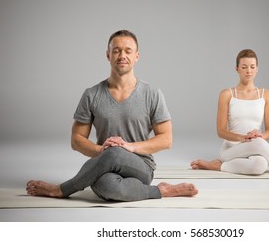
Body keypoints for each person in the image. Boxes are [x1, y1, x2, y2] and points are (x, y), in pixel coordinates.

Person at [27, 30, 198, 201]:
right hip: (104, 165)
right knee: (106, 186)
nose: (122, 55)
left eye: (128, 51)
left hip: (141, 167)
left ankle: (61, 190)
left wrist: (129, 147)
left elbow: (166, 139)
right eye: (116, 50)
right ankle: (161, 191)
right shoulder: (91, 94)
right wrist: (100, 150)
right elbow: (76, 139)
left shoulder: (152, 94)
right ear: (108, 55)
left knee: (115, 152)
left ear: (137, 56)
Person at [190, 49, 269, 175]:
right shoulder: (226, 94)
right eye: (244, 67)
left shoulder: (266, 95)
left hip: (256, 145)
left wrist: (259, 136)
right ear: (237, 69)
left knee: (259, 166)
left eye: (252, 67)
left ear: (257, 69)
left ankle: (218, 166)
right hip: (231, 149)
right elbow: (221, 131)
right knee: (256, 143)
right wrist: (242, 138)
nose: (249, 71)